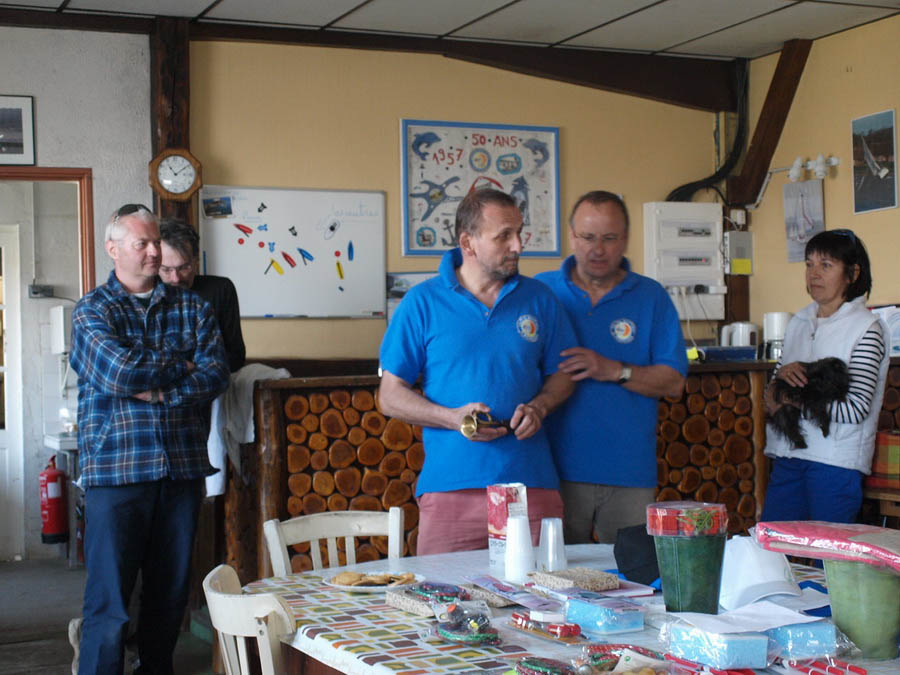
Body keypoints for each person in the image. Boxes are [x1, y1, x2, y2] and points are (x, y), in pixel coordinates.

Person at [70, 204, 230, 674]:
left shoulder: (193, 307)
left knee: (169, 597)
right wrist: (180, 365)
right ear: (113, 248)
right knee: (109, 602)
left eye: (157, 242)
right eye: (143, 243)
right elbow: (118, 372)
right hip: (116, 472)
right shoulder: (93, 310)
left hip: (180, 472)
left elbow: (215, 374)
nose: (155, 252)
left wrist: (158, 388)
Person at [378, 188, 577, 555]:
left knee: (542, 592)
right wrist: (453, 418)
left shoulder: (540, 299)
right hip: (450, 489)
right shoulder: (422, 302)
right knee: (442, 592)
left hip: (530, 486)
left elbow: (564, 374)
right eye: (504, 236)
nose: (518, 245)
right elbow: (390, 396)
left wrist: (540, 407)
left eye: (519, 233)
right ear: (467, 242)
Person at [535, 191, 687, 544]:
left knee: (632, 573)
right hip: (551, 470)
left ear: (626, 239)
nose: (598, 249)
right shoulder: (542, 291)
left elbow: (674, 383)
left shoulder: (651, 297)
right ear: (572, 236)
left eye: (609, 238)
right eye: (588, 237)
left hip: (628, 473)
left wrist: (616, 370)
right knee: (549, 573)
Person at [761, 229, 888, 523]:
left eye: (826, 265)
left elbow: (855, 409)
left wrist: (794, 399)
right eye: (809, 264)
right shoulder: (798, 322)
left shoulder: (866, 328)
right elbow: (771, 398)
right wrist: (780, 383)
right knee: (775, 546)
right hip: (789, 456)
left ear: (852, 273)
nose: (814, 274)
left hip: (835, 463)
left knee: (827, 550)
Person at [159, 218, 246, 372]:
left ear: (196, 261)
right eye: (166, 270)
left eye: (184, 267)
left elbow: (236, 356)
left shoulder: (221, 290)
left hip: (212, 380)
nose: (176, 278)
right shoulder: (148, 295)